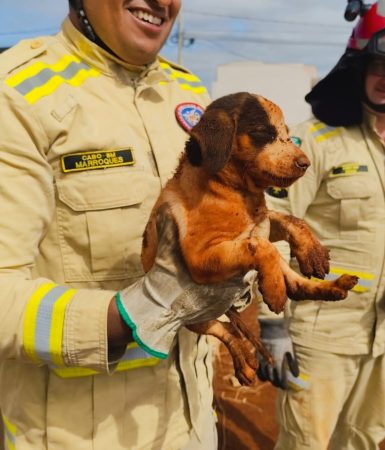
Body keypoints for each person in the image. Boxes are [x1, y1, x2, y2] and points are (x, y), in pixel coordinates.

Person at [0, 1, 248, 448]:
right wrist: (138, 312)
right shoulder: (17, 94)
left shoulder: (188, 91)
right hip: (79, 436)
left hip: (189, 425)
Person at [257, 2, 385, 449]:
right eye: (378, 65)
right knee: (307, 443)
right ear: (358, 68)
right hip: (322, 335)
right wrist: (271, 327)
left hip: (383, 341)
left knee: (367, 439)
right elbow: (267, 228)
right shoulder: (314, 142)